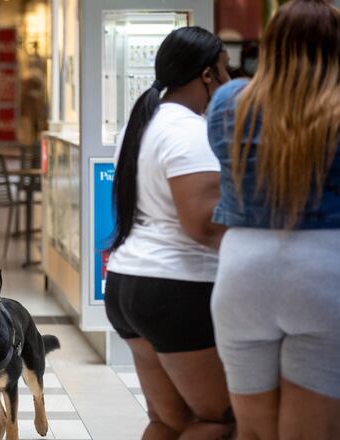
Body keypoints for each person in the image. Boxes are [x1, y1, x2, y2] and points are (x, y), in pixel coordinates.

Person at [207, 1, 340, 438]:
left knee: (253, 431)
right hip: (325, 271)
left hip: (244, 269)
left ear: (272, 45)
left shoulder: (229, 102)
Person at [104, 27, 234, 439]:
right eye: (226, 71)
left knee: (169, 421)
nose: (230, 83)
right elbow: (202, 224)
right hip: (176, 286)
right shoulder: (189, 130)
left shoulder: (142, 123)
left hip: (127, 282)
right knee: (222, 420)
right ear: (207, 74)